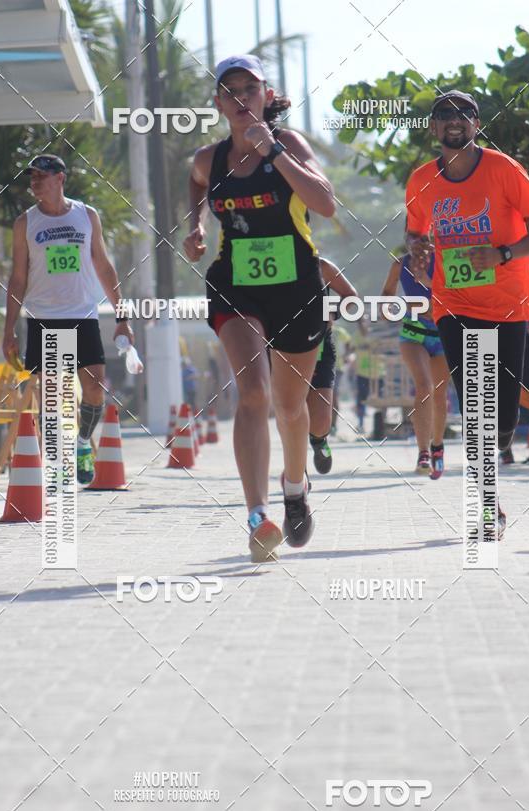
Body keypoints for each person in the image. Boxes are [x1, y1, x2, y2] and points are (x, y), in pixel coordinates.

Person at [183, 54, 335, 562]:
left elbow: (326, 202)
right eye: (231, 90)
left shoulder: (289, 144)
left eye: (251, 88)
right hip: (235, 284)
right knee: (253, 393)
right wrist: (196, 224)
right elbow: (196, 180)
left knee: (290, 408)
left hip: (296, 286)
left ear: (266, 97)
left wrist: (273, 154)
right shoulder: (211, 157)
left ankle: (295, 488)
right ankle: (256, 515)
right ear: (219, 102)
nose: (242, 97)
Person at [406, 90, 529, 538]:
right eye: (445, 115)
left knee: (503, 417)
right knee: (477, 405)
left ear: (476, 125)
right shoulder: (420, 181)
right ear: (433, 129)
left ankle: (492, 466)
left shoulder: (504, 169)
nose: (456, 120)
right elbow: (415, 235)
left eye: (465, 114)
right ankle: (487, 504)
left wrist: (503, 253)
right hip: (453, 304)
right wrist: (417, 252)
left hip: (508, 306)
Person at [2, 154, 134, 484]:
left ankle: (81, 443)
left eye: (41, 176)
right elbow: (17, 278)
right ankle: (60, 460)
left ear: (60, 178)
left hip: (83, 314)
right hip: (44, 317)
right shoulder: (26, 223)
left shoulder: (86, 216)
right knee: (54, 394)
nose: (34, 182)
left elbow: (104, 266)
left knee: (93, 389)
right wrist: (9, 331)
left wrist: (122, 315)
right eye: (31, 177)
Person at [381, 251, 450, 478]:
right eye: (414, 235)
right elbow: (387, 293)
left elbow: (460, 292)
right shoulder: (399, 264)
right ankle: (423, 453)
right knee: (424, 387)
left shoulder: (446, 257)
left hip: (443, 335)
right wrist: (390, 307)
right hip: (413, 334)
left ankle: (437, 446)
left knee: (439, 394)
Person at [307, 257, 357, 473]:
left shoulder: (321, 266)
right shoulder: (273, 260)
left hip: (320, 347)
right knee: (291, 411)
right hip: (281, 345)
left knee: (320, 422)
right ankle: (297, 474)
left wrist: (332, 313)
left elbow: (351, 298)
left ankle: (319, 442)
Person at [352, 314, 372, 433]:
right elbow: (352, 350)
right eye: (360, 322)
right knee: (361, 399)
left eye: (364, 321)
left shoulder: (375, 334)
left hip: (378, 372)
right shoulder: (356, 336)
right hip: (362, 372)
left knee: (380, 399)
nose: (362, 324)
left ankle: (382, 421)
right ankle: (360, 424)